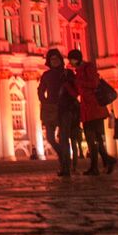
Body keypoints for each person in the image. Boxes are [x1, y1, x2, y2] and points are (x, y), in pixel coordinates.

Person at [69, 50, 113, 175]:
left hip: (95, 107)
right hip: (87, 108)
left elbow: (94, 83)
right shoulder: (78, 71)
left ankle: (99, 165)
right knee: (94, 139)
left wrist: (79, 83)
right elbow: (78, 91)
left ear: (76, 59)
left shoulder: (89, 67)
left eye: (71, 59)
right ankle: (105, 162)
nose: (70, 62)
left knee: (92, 138)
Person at [38, 48, 79, 177]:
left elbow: (75, 90)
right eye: (51, 59)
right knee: (50, 137)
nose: (54, 61)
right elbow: (40, 90)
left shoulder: (68, 73)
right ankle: (62, 155)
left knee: (64, 139)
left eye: (56, 59)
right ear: (49, 61)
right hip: (51, 109)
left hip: (65, 108)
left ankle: (65, 167)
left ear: (60, 60)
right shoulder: (46, 75)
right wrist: (44, 101)